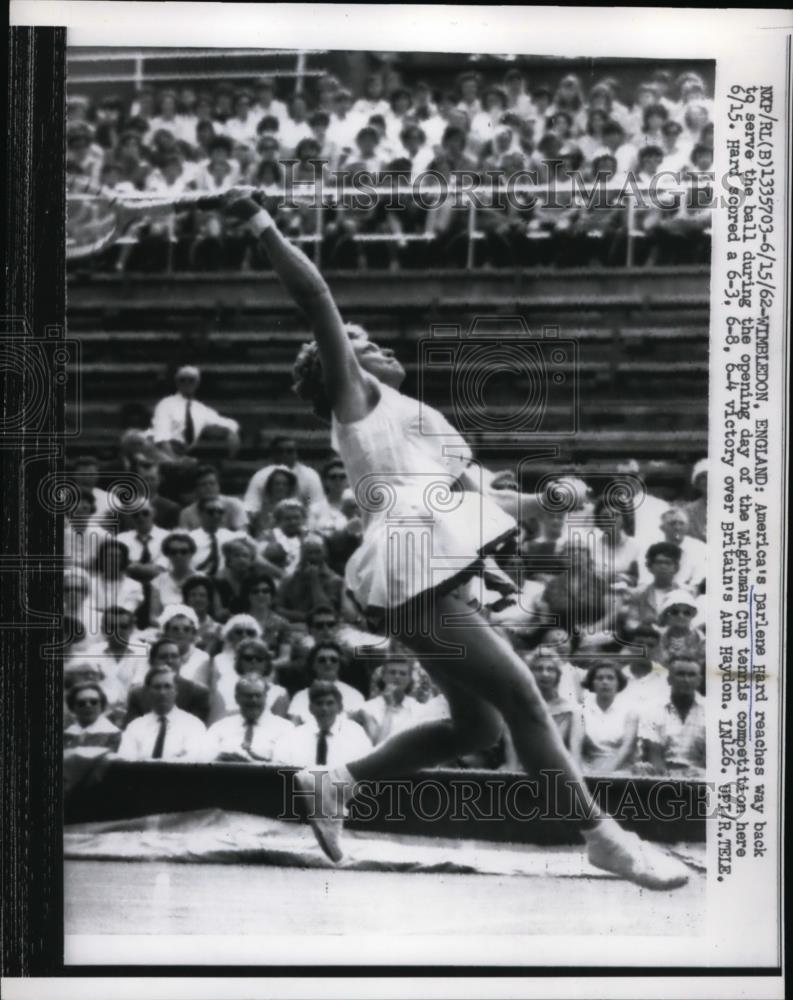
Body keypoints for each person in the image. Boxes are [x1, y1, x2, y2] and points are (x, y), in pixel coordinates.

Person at [208, 188, 689, 888]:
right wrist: (259, 222)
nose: (377, 347)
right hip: (412, 567)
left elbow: (478, 500)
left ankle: (334, 782)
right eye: (362, 345)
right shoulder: (358, 401)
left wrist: (547, 499)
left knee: (477, 732)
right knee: (526, 697)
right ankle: (600, 835)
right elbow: (315, 297)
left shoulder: (414, 417)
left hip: (430, 571)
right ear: (342, 365)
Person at [118, 666, 211, 762]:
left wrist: (144, 760)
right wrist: (173, 759)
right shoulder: (135, 727)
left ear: (176, 691)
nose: (162, 692)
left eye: (167, 686)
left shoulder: (193, 725)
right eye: (157, 687)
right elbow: (126, 762)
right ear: (147, 692)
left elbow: (192, 762)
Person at [150, 365, 240, 459]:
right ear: (177, 383)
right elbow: (161, 439)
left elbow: (226, 423)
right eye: (182, 380)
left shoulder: (201, 409)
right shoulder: (166, 404)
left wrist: (232, 430)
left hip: (183, 453)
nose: (187, 383)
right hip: (161, 452)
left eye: (191, 380)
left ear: (197, 383)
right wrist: (175, 461)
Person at [275, 681, 372, 768]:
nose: (324, 709)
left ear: (339, 707)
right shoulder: (294, 737)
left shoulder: (355, 734)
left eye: (330, 703)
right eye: (319, 703)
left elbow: (366, 768)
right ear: (310, 708)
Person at [635, 658, 705, 776]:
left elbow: (711, 757)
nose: (686, 680)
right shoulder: (652, 709)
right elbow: (654, 754)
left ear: (699, 680)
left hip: (701, 777)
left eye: (692, 675)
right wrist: (668, 778)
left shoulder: (712, 710)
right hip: (662, 775)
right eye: (680, 674)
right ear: (669, 679)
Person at [208, 675, 294, 762]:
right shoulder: (219, 728)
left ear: (265, 697)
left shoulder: (284, 728)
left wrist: (245, 764)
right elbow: (207, 763)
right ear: (237, 698)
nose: (254, 701)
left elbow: (282, 767)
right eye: (248, 696)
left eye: (258, 695)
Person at [125, 637, 211, 723]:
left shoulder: (198, 692)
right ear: (152, 661)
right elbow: (131, 727)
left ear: (181, 661)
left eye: (174, 656)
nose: (169, 661)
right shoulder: (137, 694)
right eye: (163, 657)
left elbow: (196, 728)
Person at [208, 636, 289, 724]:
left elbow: (280, 728)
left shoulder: (278, 693)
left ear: (266, 663)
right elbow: (214, 724)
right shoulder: (223, 688)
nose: (253, 662)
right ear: (239, 661)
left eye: (259, 659)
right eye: (248, 658)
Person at [580, 660, 638, 775]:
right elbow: (576, 748)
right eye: (599, 678)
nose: (605, 682)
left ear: (618, 683)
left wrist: (605, 772)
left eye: (610, 678)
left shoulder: (630, 712)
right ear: (592, 683)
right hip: (588, 770)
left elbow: (627, 748)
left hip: (620, 770)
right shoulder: (581, 711)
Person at [244, 436, 324, 517]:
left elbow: (316, 507)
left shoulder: (310, 476)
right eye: (280, 451)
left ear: (296, 454)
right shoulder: (260, 477)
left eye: (290, 451)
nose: (284, 455)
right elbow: (251, 506)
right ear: (273, 454)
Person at [287, 642, 365, 724]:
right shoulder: (300, 697)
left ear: (340, 664)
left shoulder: (354, 695)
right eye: (322, 660)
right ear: (313, 665)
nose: (328, 663)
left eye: (333, 660)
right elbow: (293, 728)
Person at [356, 658, 428, 746]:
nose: (397, 677)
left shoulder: (418, 707)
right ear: (383, 676)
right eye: (392, 672)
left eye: (403, 673)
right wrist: (389, 707)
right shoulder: (368, 708)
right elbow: (379, 745)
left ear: (409, 679)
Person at [275, 533, 344, 623]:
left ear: (325, 554)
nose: (313, 557)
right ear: (302, 554)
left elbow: (326, 610)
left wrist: (314, 580)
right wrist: (302, 617)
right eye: (309, 553)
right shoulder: (288, 579)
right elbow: (277, 608)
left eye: (317, 552)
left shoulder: (334, 580)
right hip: (294, 626)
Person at [239, 572, 292, 672]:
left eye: (265, 591)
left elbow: (285, 658)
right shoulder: (238, 622)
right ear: (247, 595)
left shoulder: (282, 624)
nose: (261, 595)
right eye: (255, 591)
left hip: (270, 672)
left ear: (272, 595)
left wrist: (262, 666)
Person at [178, 464, 248, 531]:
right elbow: (184, 539)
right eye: (203, 484)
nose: (208, 487)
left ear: (218, 486)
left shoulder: (234, 505)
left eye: (212, 483)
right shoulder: (186, 513)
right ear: (196, 489)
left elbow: (243, 535)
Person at [189, 497, 247, 578]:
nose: (216, 515)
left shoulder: (236, 537)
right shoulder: (189, 538)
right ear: (200, 513)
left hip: (225, 582)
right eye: (211, 512)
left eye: (220, 512)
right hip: (196, 580)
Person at [149, 531, 197, 622]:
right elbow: (154, 616)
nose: (178, 555)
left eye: (184, 551)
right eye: (173, 552)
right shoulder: (157, 581)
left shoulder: (202, 579)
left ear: (191, 553)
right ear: (167, 555)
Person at [63, 682, 122, 752]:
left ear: (102, 705)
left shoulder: (114, 735)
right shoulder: (66, 734)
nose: (88, 706)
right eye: (81, 703)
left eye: (94, 702)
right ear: (73, 707)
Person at [656, 590, 705, 668]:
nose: (681, 616)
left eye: (686, 613)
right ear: (666, 615)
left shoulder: (700, 639)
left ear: (692, 615)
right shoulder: (657, 637)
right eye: (675, 612)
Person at [682, 458, 708, 543]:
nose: (707, 480)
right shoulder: (688, 511)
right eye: (703, 477)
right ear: (697, 483)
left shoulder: (734, 507)